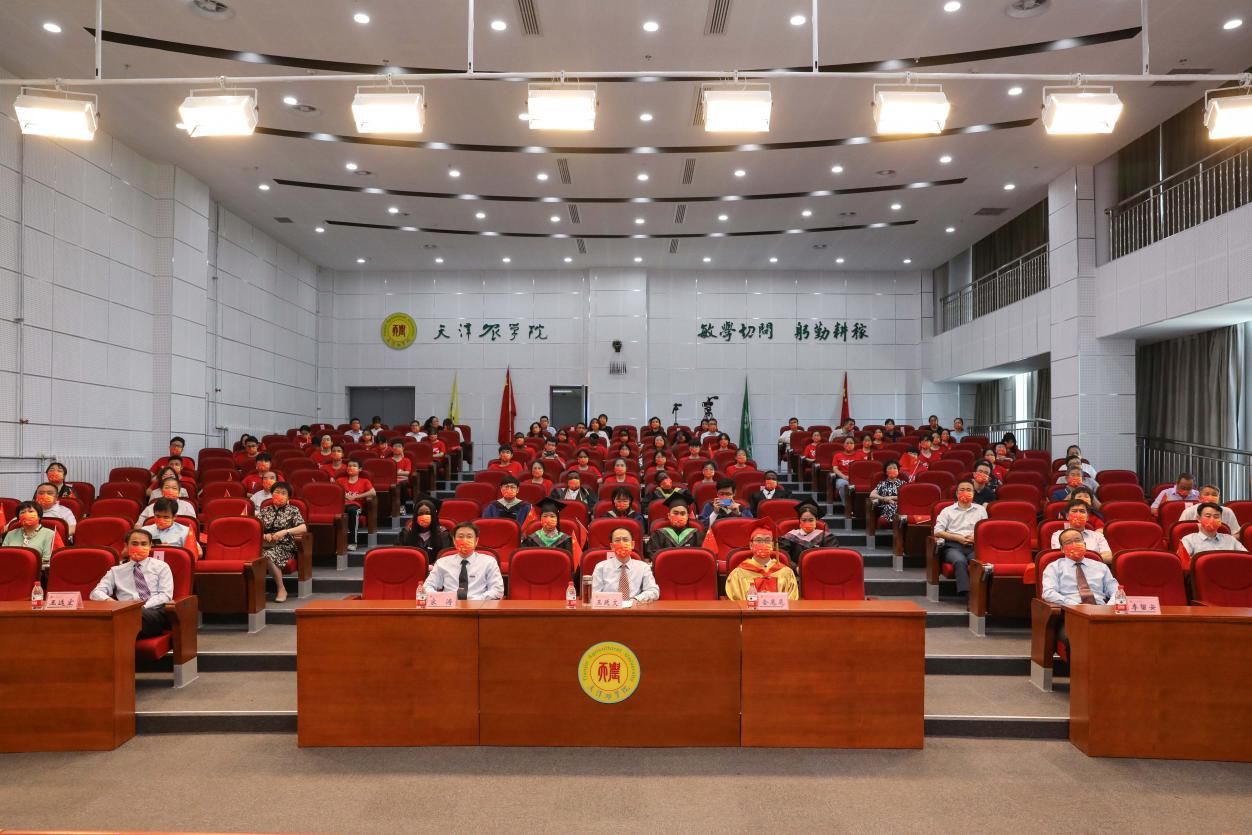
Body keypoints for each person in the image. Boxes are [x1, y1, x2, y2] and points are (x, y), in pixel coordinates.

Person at [90, 529, 174, 638]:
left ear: (150, 546)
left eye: (144, 544)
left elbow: (165, 595)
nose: (139, 547)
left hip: (153, 612)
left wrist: (138, 608)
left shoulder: (161, 566)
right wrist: (112, 603)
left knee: (136, 616)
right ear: (126, 546)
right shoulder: (116, 570)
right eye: (134, 544)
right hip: (123, 612)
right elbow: (96, 593)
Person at [933, 480, 989, 597]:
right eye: (962, 490)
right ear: (957, 493)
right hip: (953, 546)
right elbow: (937, 531)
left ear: (973, 493)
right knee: (959, 561)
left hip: (974, 546)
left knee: (980, 562)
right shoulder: (947, 511)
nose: (965, 492)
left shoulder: (981, 510)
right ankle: (968, 595)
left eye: (969, 490)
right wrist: (957, 538)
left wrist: (975, 537)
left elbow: (985, 530)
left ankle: (982, 594)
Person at [1042, 528, 1119, 609]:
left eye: (1078, 540)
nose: (1074, 544)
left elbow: (1116, 590)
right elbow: (1048, 593)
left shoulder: (1101, 567)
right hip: (1071, 610)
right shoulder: (1054, 567)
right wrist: (1074, 605)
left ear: (1084, 545)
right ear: (1062, 549)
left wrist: (1109, 607)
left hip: (1100, 609)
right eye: (1068, 542)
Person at [255, 482, 306, 603]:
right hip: (265, 544)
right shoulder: (265, 510)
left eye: (283, 493)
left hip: (285, 545)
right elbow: (255, 528)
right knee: (257, 554)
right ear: (272, 494)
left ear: (288, 497)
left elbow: (303, 528)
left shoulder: (293, 510)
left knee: (267, 555)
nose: (279, 495)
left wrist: (285, 531)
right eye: (277, 492)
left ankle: (281, 589)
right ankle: (255, 591)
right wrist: (264, 535)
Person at [425, 522, 504, 600]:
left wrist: (476, 601)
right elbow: (427, 587)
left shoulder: (489, 562)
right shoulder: (442, 563)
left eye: (469, 536)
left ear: (476, 541)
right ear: (454, 540)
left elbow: (498, 590)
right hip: (450, 605)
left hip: (478, 605)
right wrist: (444, 599)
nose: (464, 540)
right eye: (461, 536)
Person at [725, 525, 799, 601]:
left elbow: (791, 602)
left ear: (773, 545)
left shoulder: (786, 573)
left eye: (767, 540)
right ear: (751, 545)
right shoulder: (739, 573)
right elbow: (736, 603)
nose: (763, 544)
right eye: (758, 540)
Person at [592, 527, 660, 602]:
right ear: (612, 546)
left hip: (635, 606)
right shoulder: (601, 567)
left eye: (625, 540)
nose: (622, 543)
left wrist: (636, 599)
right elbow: (594, 595)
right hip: (610, 607)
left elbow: (653, 591)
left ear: (632, 544)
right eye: (617, 540)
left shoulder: (643, 567)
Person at [1177, 502, 1247, 569]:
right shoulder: (1188, 540)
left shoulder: (1230, 539)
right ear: (1199, 518)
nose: (1212, 519)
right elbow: (1183, 565)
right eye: (1208, 516)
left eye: (1216, 516)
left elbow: (1246, 558)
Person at [647, 495, 702, 559]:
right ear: (669, 516)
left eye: (682, 513)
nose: (679, 516)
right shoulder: (658, 535)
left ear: (687, 516)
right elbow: (655, 557)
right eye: (675, 513)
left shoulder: (696, 535)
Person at [3, 502, 56, 568]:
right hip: (10, 569)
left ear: (39, 516)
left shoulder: (50, 534)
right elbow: (3, 556)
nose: (26, 514)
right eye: (22, 512)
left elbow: (46, 562)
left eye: (31, 511)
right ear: (19, 518)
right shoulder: (11, 533)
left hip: (36, 571)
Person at [398, 499, 452, 565]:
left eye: (427, 513)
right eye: (420, 513)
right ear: (416, 516)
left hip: (436, 569)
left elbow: (445, 557)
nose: (424, 516)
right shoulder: (406, 534)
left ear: (433, 515)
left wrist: (433, 567)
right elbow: (400, 557)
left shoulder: (443, 535)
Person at [336, 460, 376, 546]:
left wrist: (355, 497)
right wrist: (344, 496)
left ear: (360, 469)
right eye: (349, 466)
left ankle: (353, 542)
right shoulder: (340, 480)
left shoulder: (365, 481)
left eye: (354, 466)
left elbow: (373, 492)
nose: (351, 467)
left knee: (353, 511)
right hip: (342, 505)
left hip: (356, 506)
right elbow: (334, 491)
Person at [830, 435, 865, 512]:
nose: (849, 445)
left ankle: (859, 509)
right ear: (843, 445)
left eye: (851, 443)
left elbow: (863, 469)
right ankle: (847, 507)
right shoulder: (837, 455)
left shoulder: (860, 455)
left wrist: (855, 478)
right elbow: (835, 468)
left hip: (857, 479)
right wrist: (844, 476)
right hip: (842, 478)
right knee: (844, 484)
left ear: (854, 445)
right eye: (847, 443)